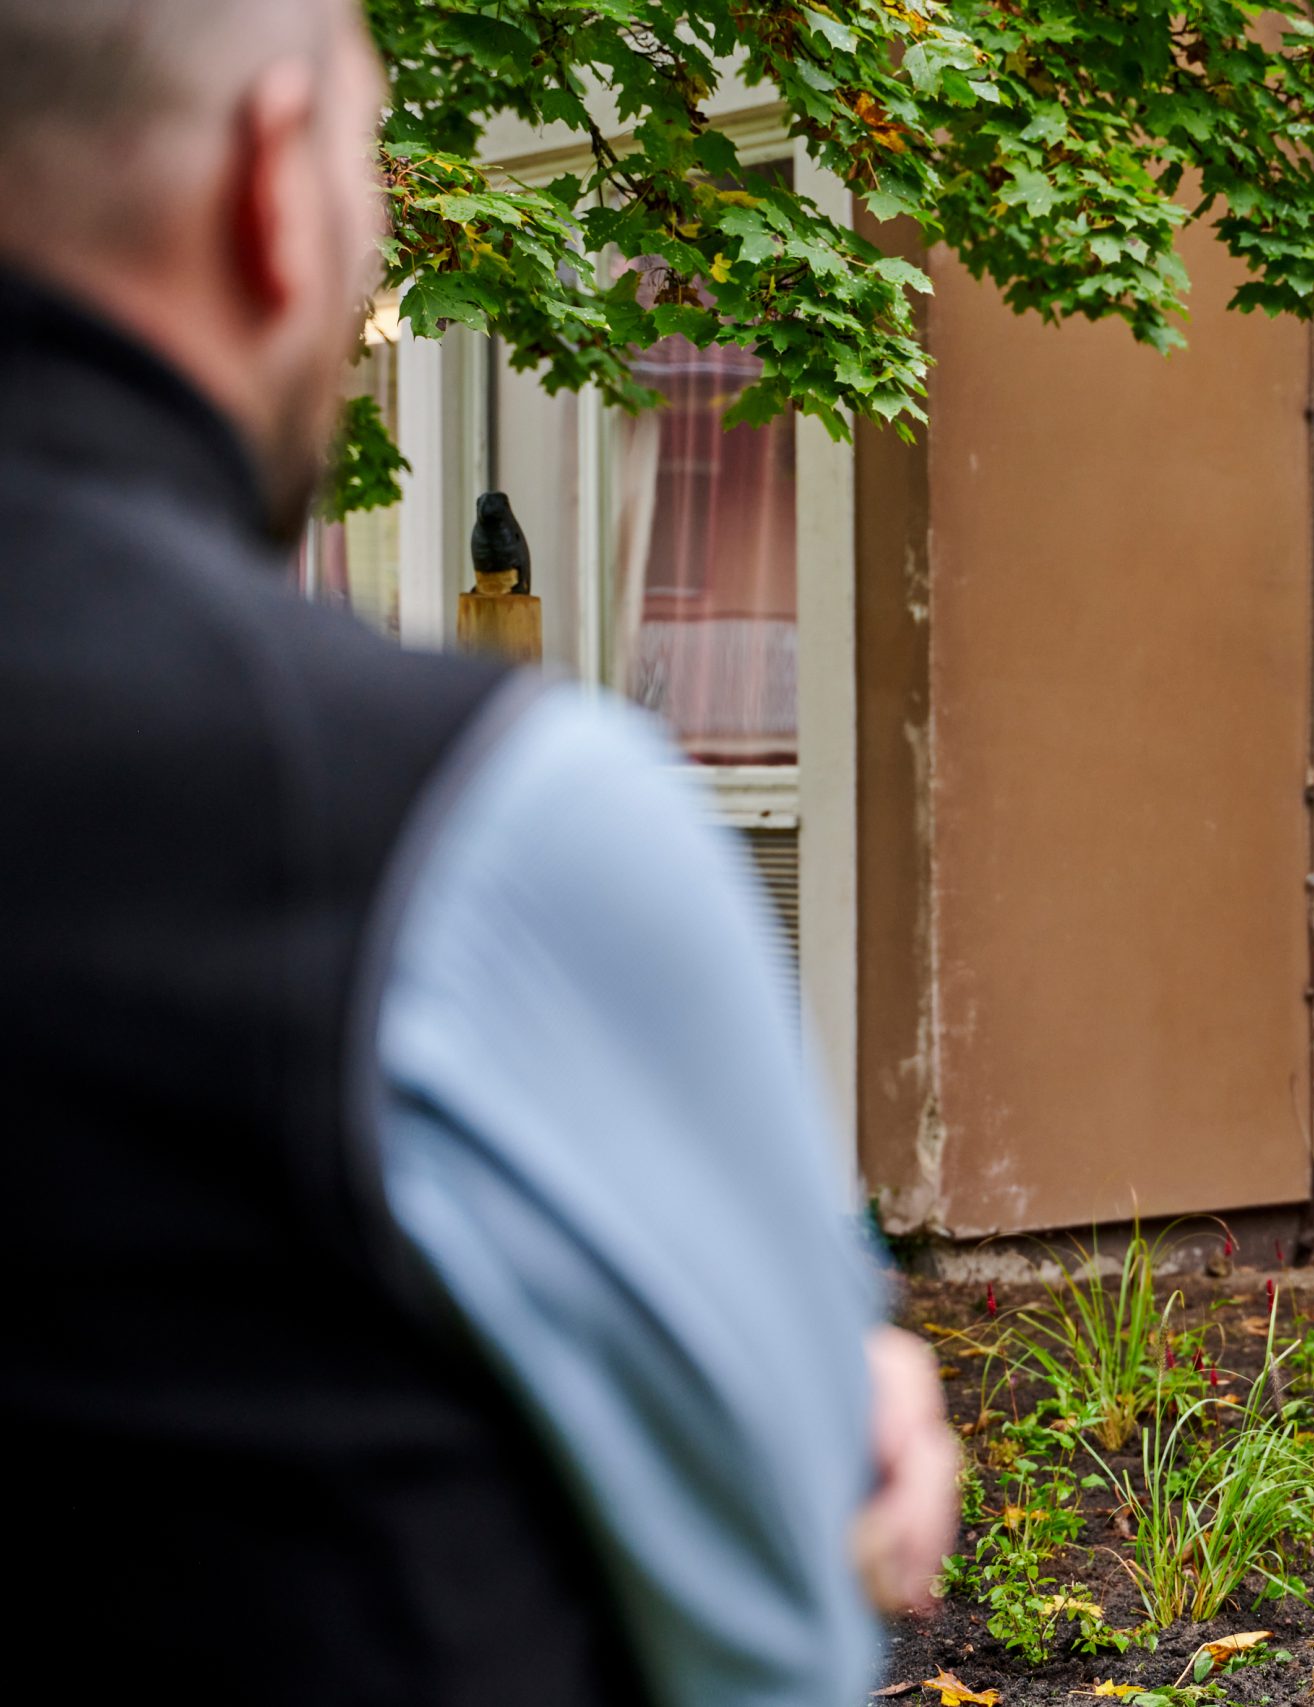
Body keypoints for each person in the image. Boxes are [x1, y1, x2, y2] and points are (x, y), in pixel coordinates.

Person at [0, 2, 956, 1701]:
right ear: (273, 179)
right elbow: (772, 1642)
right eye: (371, 161)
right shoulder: (479, 823)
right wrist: (814, 1428)